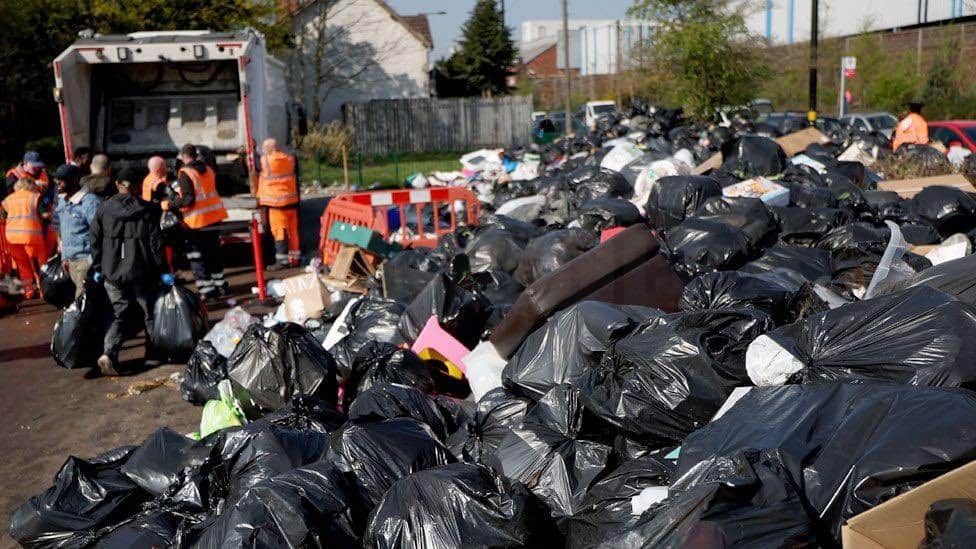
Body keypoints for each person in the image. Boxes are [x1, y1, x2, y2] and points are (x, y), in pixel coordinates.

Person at [90, 168, 170, 376]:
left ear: (117, 184)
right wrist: (163, 270)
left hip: (112, 272)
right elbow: (156, 244)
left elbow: (95, 241)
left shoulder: (103, 209)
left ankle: (110, 352)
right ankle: (154, 354)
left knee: (120, 313)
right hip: (142, 271)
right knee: (149, 313)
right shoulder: (148, 210)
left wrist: (98, 268)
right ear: (135, 185)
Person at [170, 143, 228, 299]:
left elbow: (188, 200)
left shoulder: (185, 173)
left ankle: (206, 289)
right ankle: (220, 284)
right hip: (214, 218)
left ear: (183, 157)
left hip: (197, 222)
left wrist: (171, 203)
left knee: (197, 256)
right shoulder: (208, 169)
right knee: (213, 252)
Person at [53, 164, 100, 297]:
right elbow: (63, 230)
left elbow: (99, 233)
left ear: (74, 180)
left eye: (61, 179)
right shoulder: (63, 201)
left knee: (83, 303)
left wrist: (92, 261)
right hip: (70, 262)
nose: (57, 182)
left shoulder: (90, 202)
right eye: (56, 179)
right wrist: (64, 257)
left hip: (85, 262)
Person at [256, 138, 301, 268]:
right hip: (291, 201)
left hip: (277, 204)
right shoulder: (289, 159)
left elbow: (255, 163)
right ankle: (295, 259)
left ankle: (282, 261)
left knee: (279, 231)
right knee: (293, 232)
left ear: (269, 149)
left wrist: (251, 150)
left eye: (265, 148)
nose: (263, 151)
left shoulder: (266, 161)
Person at [1, 179, 49, 299]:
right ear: (31, 186)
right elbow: (45, 214)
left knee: (23, 266)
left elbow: (3, 217)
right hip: (31, 236)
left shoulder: (8, 200)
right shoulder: (35, 197)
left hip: (12, 238)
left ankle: (29, 292)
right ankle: (44, 290)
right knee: (39, 264)